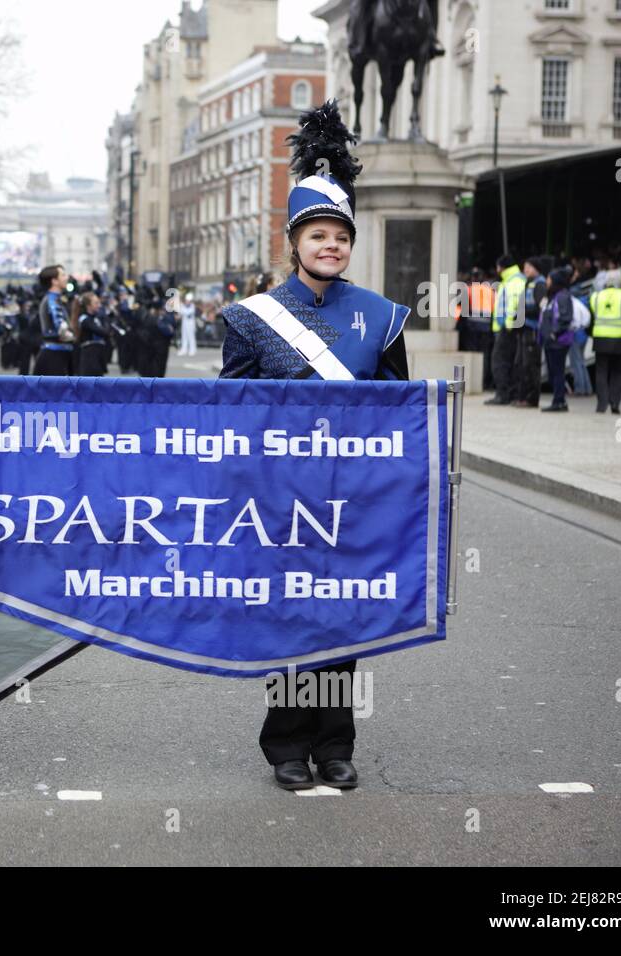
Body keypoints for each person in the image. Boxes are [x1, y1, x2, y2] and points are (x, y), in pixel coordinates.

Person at [219, 101, 409, 792]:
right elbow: (230, 414)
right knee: (291, 620)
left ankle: (335, 744)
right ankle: (287, 746)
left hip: (353, 494)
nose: (331, 245)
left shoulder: (381, 316)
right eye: (318, 234)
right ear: (295, 242)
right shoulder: (252, 319)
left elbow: (398, 412)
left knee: (344, 622)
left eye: (340, 236)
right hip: (278, 497)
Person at [588, 269, 621, 414]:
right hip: (620, 340)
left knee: (601, 371)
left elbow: (591, 320)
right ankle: (615, 403)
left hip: (600, 339)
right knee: (617, 372)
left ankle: (601, 404)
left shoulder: (596, 297)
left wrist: (591, 333)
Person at [484, 254, 525, 405]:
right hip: (505, 328)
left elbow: (514, 303)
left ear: (501, 267)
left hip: (507, 329)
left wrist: (507, 325)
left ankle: (503, 394)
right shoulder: (510, 280)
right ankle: (509, 394)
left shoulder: (514, 281)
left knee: (499, 361)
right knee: (507, 361)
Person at [538, 265, 576, 412]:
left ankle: (559, 401)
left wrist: (554, 333)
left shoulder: (562, 296)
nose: (547, 281)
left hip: (558, 342)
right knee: (553, 372)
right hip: (550, 341)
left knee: (557, 372)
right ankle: (558, 400)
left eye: (549, 278)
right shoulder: (551, 296)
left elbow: (566, 318)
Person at [513, 256, 548, 408]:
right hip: (524, 329)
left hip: (532, 330)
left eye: (529, 267)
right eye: (525, 267)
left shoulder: (540, 285)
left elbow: (542, 307)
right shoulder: (529, 283)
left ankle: (532, 399)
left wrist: (523, 312)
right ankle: (522, 397)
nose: (525, 270)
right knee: (520, 364)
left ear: (536, 268)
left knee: (530, 365)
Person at [34, 265, 74, 375]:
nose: (67, 277)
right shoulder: (52, 300)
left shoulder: (56, 299)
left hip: (57, 354)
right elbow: (62, 329)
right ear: (54, 281)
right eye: (63, 275)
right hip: (54, 357)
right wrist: (74, 336)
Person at [72, 292, 110, 376]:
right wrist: (105, 319)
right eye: (96, 303)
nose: (99, 305)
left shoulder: (95, 318)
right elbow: (103, 332)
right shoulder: (84, 319)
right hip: (89, 357)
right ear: (88, 306)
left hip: (97, 355)